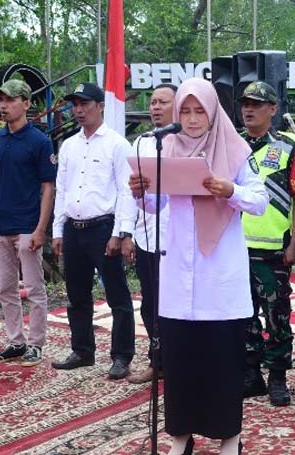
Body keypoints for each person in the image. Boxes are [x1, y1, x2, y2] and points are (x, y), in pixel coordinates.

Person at [130, 78, 267, 455]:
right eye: (185, 111)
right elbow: (156, 206)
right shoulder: (166, 149)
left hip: (220, 276)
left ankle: (230, 439)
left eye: (199, 111)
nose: (191, 119)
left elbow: (260, 200)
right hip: (178, 274)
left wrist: (231, 191)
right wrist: (142, 192)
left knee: (221, 363)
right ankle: (180, 436)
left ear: (212, 112)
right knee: (181, 362)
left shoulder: (236, 149)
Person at [51, 82, 137, 380]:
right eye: (75, 104)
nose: (79, 110)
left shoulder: (116, 144)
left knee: (117, 295)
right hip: (73, 227)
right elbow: (61, 189)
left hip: (103, 227)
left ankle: (122, 356)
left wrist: (121, 232)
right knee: (76, 294)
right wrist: (57, 229)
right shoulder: (70, 145)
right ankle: (83, 350)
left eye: (85, 104)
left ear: (100, 106)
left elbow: (127, 192)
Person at [237, 81, 295, 407]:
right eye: (245, 104)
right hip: (235, 249)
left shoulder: (290, 146)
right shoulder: (232, 145)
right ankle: (251, 375)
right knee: (242, 315)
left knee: (276, 314)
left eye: (257, 104)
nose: (249, 109)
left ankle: (278, 374)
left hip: (274, 250)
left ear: (273, 109)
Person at [0, 79, 56, 367]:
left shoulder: (39, 141)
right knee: (5, 288)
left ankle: (36, 344)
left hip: (26, 224)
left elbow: (48, 187)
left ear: (26, 103)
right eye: (1, 100)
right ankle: (15, 341)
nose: (3, 105)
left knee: (35, 287)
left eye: (10, 100)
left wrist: (40, 229)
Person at [127, 83, 175, 384]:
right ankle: (156, 362)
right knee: (150, 305)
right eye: (153, 102)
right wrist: (128, 233)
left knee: (176, 307)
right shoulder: (142, 143)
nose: (155, 107)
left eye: (163, 102)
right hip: (147, 236)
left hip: (179, 240)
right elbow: (130, 190)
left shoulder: (189, 143)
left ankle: (181, 363)